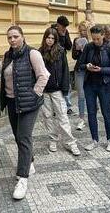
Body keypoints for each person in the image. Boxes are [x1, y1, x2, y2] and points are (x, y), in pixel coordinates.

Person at [0, 25, 49, 200]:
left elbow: (44, 75)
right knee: (17, 136)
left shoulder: (32, 53)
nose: (12, 40)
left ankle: (23, 178)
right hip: (12, 102)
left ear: (22, 36)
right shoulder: (8, 55)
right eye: (9, 37)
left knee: (24, 136)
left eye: (15, 36)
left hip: (29, 104)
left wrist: (34, 93)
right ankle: (30, 162)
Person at [39, 27, 81, 155]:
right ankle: (53, 139)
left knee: (62, 116)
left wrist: (65, 88)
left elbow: (65, 70)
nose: (50, 40)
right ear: (45, 38)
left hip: (57, 90)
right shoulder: (39, 52)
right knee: (47, 116)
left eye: (52, 38)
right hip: (45, 90)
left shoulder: (61, 51)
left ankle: (71, 143)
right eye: (48, 38)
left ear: (55, 39)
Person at [78, 25, 110, 152]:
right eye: (93, 39)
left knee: (106, 112)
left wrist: (101, 70)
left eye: (97, 39)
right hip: (90, 84)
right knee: (91, 112)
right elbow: (79, 64)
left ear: (103, 35)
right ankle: (94, 140)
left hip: (105, 84)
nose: (95, 41)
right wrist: (87, 66)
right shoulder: (89, 47)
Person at [72, 21, 89, 130]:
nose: (83, 32)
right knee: (81, 94)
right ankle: (81, 118)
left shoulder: (93, 41)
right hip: (79, 69)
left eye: (85, 30)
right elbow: (74, 56)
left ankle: (92, 113)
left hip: (91, 71)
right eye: (81, 30)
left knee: (91, 94)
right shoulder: (76, 40)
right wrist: (79, 51)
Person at [55, 15, 74, 115]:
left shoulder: (65, 32)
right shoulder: (51, 32)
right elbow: (55, 46)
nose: (64, 29)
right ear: (58, 25)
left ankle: (68, 106)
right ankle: (56, 108)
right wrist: (60, 36)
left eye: (65, 27)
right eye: (63, 27)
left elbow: (69, 46)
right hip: (53, 61)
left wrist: (63, 36)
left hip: (63, 60)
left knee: (66, 81)